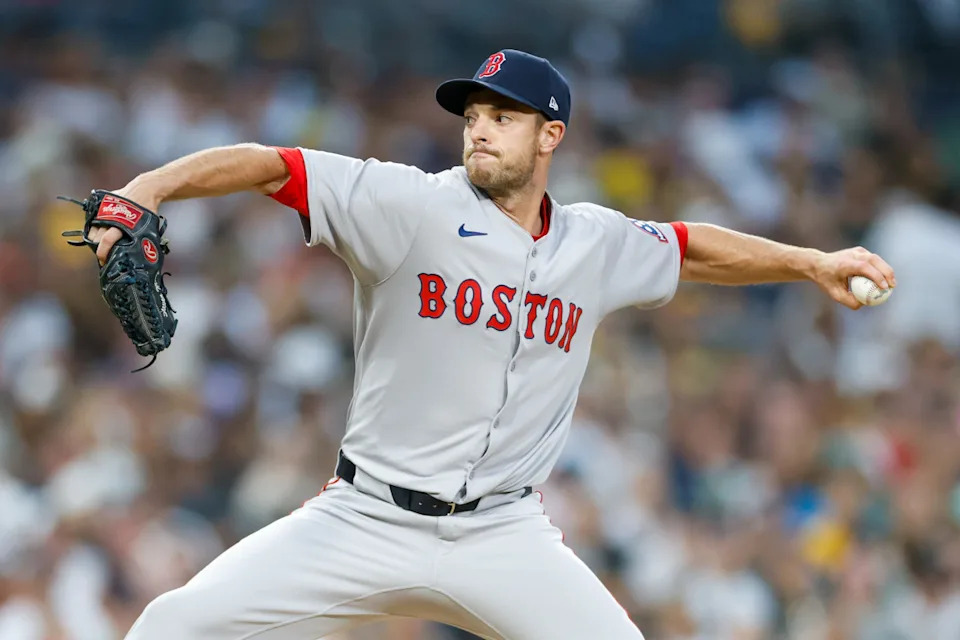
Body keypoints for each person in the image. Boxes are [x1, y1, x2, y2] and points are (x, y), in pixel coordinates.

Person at [89, 50, 894, 640]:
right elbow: (273, 165)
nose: (479, 131)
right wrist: (147, 189)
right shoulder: (408, 204)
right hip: (365, 517)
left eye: (501, 118)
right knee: (172, 626)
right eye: (472, 117)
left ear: (551, 135)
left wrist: (809, 262)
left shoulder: (595, 241)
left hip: (502, 534)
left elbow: (691, 247)